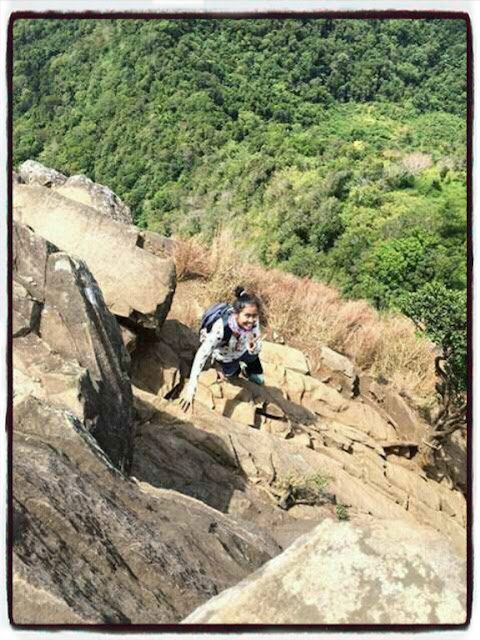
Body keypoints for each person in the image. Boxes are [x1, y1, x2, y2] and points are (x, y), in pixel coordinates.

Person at [180, 286, 264, 413]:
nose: (251, 321)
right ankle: (227, 368)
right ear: (236, 313)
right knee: (231, 373)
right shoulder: (221, 328)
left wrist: (253, 347)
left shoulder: (253, 323)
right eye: (247, 316)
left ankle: (251, 372)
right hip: (225, 356)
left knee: (252, 357)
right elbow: (201, 355)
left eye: (254, 316)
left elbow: (258, 345)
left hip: (243, 350)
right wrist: (191, 388)